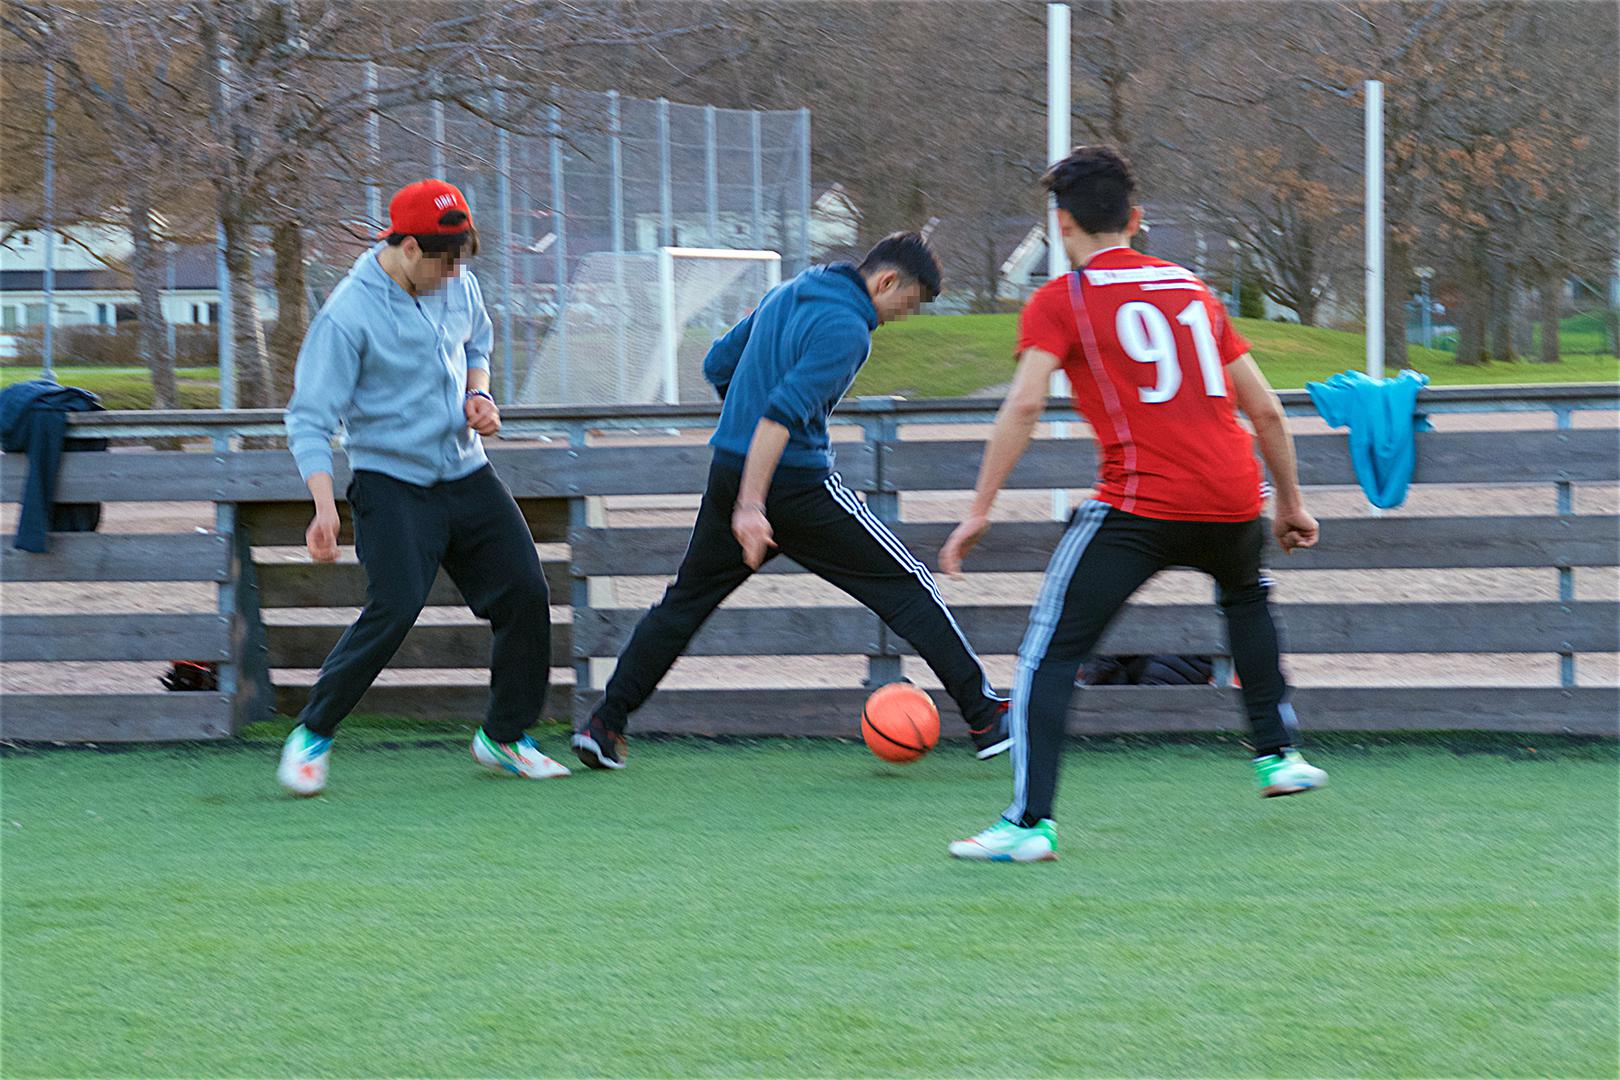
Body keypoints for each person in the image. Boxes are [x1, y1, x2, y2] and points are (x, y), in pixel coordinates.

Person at [940, 146, 1327, 863]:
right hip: (1234, 494)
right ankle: (1279, 758)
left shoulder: (1062, 300)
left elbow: (1024, 404)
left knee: (1047, 656)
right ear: (1137, 219)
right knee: (1245, 597)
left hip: (1142, 503)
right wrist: (1289, 504)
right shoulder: (1194, 291)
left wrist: (979, 508)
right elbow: (1267, 411)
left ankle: (1028, 826)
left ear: (1061, 226)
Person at [571, 233, 1010, 771]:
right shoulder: (849, 329)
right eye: (908, 303)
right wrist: (754, 506)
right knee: (909, 585)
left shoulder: (786, 293)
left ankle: (604, 724)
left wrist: (743, 453)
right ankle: (987, 718)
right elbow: (781, 416)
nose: (902, 316)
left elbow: (717, 364)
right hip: (795, 488)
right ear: (887, 280)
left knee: (682, 604)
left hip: (730, 470)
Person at [276, 179, 569, 796]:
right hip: (391, 483)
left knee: (525, 591)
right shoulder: (347, 314)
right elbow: (309, 419)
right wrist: (324, 506)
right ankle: (312, 734)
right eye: (445, 259)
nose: (456, 271)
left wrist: (479, 393)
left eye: (462, 257)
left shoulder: (457, 280)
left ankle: (505, 737)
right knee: (396, 605)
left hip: (466, 471)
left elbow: (478, 342)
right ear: (408, 248)